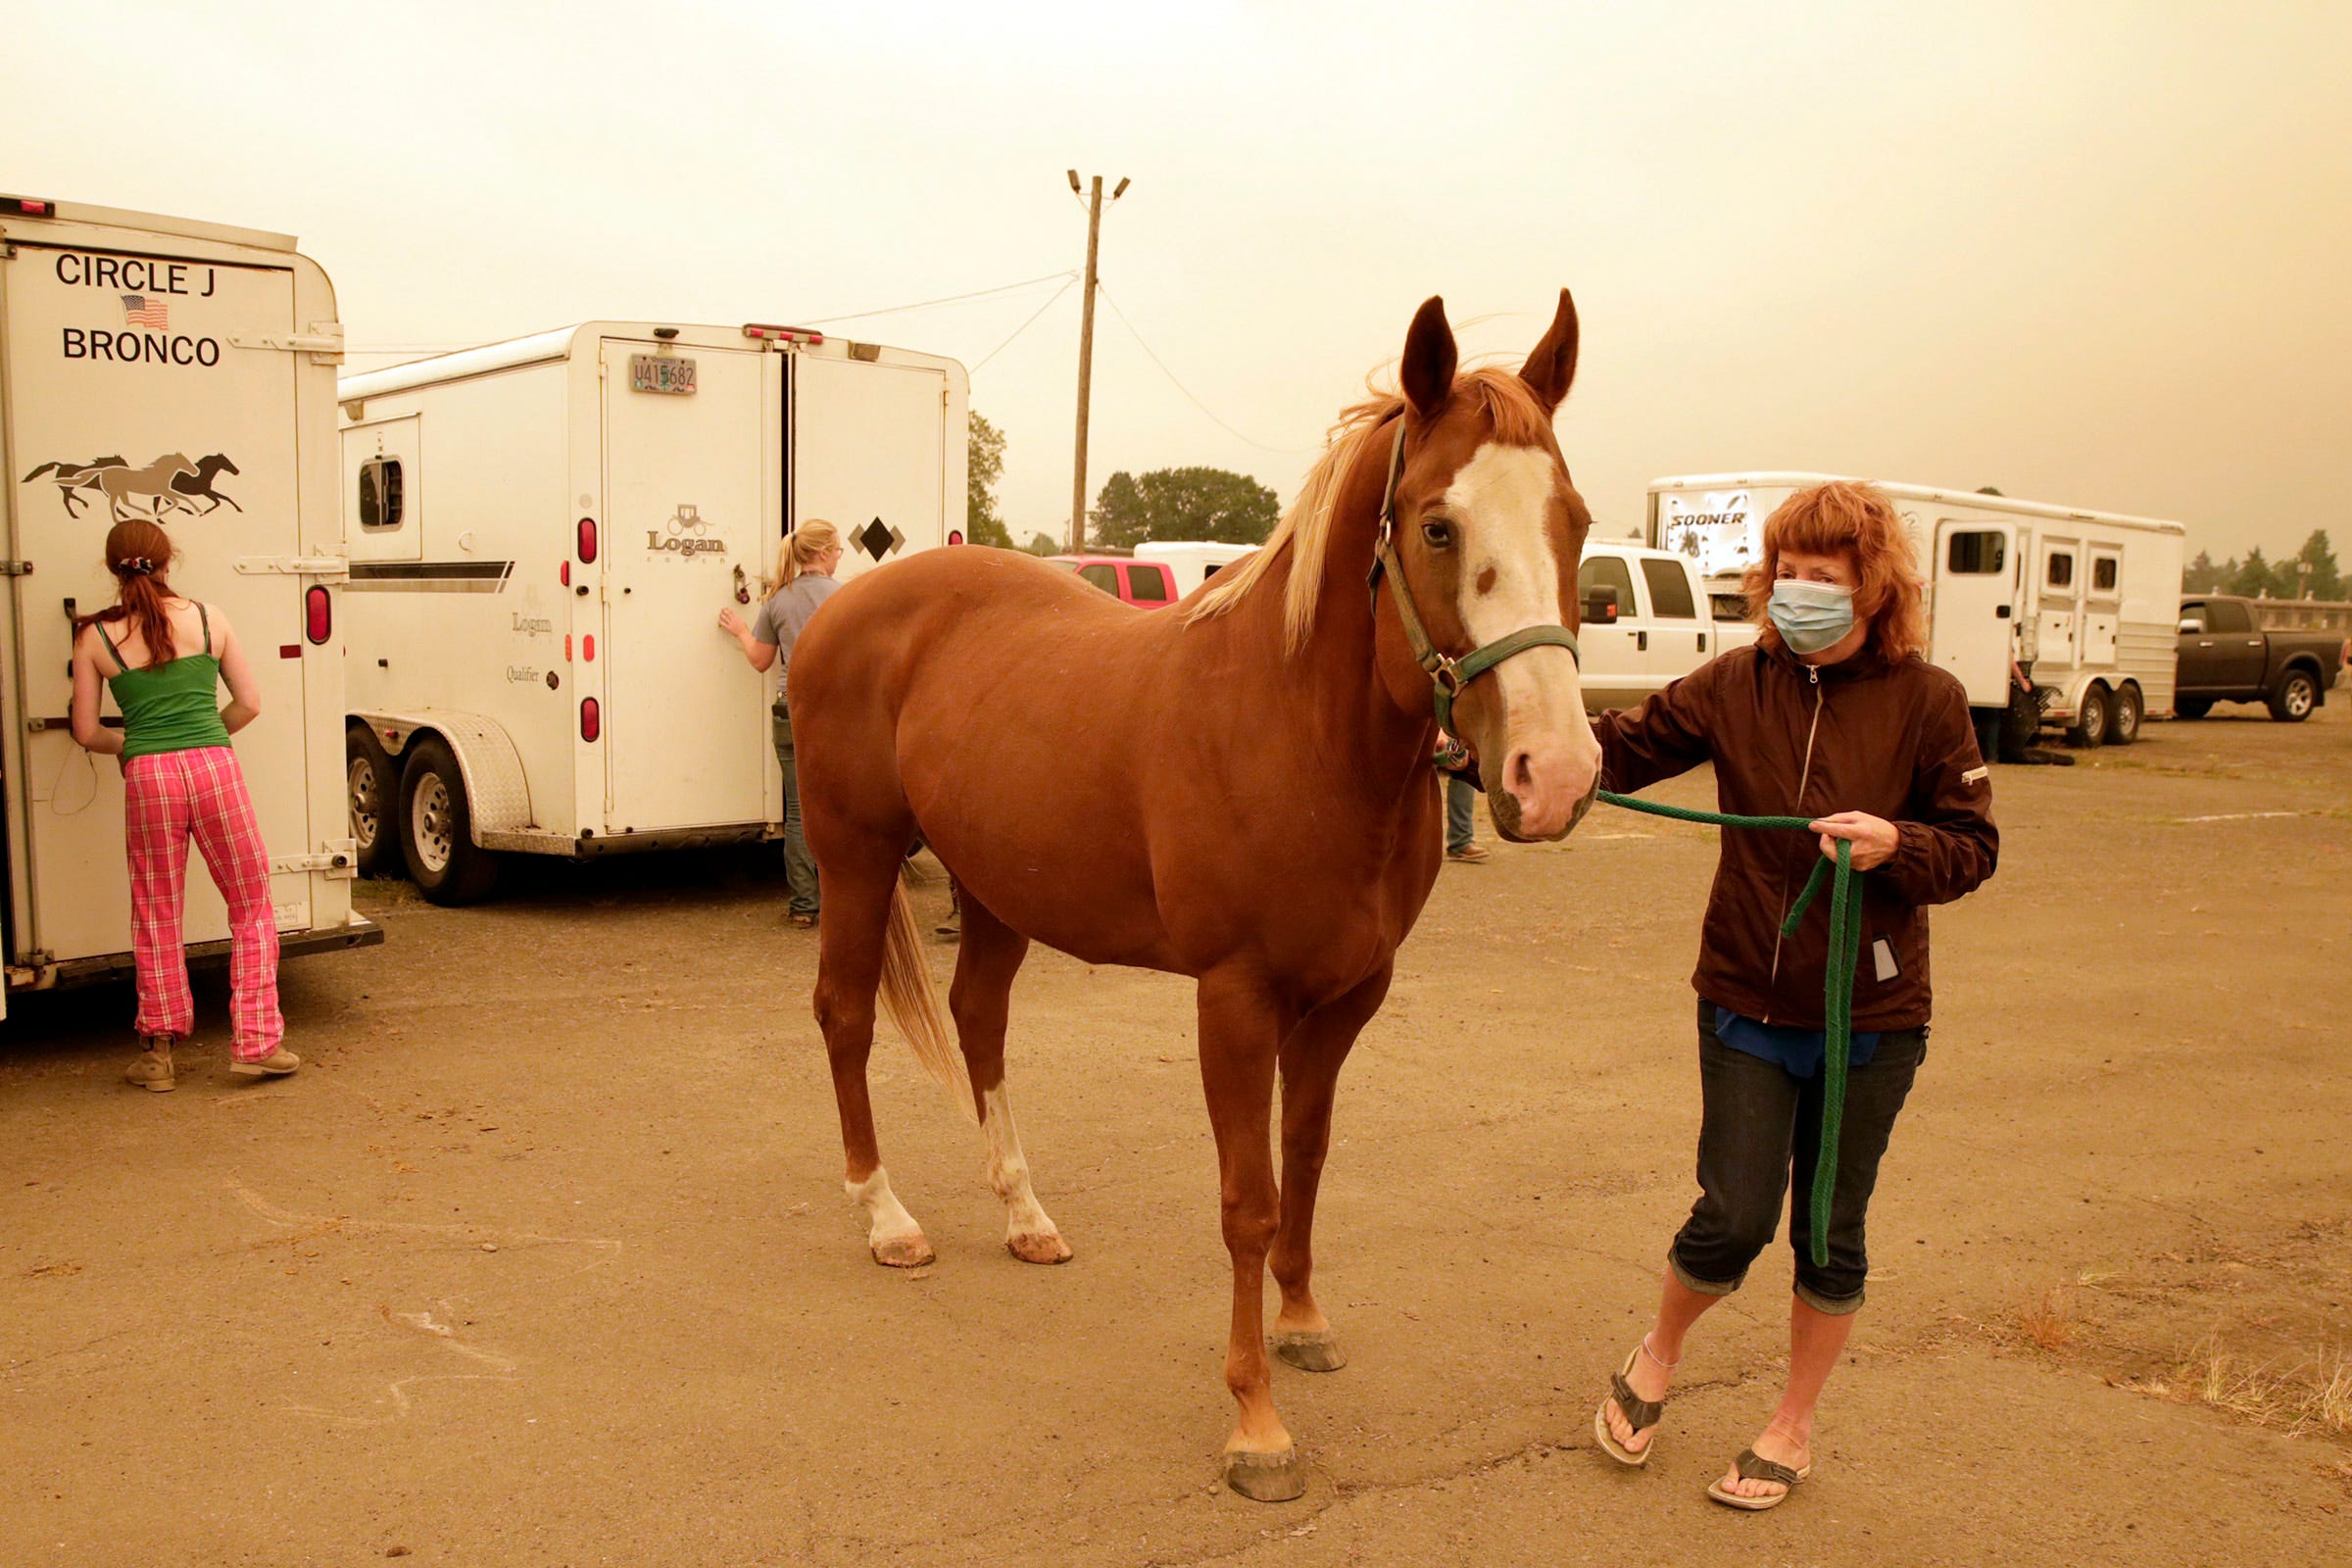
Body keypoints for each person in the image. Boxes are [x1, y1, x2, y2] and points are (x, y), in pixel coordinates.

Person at [1588, 480, 1997, 1510]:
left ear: (1873, 586)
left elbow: (1974, 847)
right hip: (1745, 998)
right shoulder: (1735, 682)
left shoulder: (1930, 699)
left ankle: (1791, 1426)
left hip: (1873, 1019)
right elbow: (1620, 749)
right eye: (1787, 572)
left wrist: (1900, 844)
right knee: (1732, 1217)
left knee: (1831, 1231)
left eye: (1824, 574)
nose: (1799, 589)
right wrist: (1488, 741)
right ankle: (1657, 1354)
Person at [69, 519, 296, 1091]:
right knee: (251, 903)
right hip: (214, 768)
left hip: (149, 776)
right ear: (169, 560)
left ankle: (158, 1055)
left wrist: (133, 745)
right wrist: (203, 737)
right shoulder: (208, 618)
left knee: (156, 909)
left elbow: (86, 730)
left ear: (112, 568)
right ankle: (257, 1043)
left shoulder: (93, 637)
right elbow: (248, 704)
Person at [720, 520, 844, 927]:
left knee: (797, 811)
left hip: (791, 711)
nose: (839, 557)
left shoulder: (777, 600)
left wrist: (741, 631)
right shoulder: (844, 596)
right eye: (838, 550)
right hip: (837, 714)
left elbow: (761, 660)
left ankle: (804, 906)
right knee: (842, 810)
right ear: (823, 553)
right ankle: (843, 902)